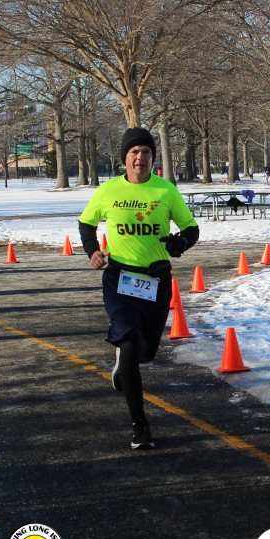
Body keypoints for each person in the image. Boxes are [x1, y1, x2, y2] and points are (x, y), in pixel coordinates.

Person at [78, 128, 199, 450]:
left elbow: (191, 228)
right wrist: (92, 251)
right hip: (120, 277)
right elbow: (86, 223)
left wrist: (180, 243)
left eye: (146, 152)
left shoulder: (165, 190)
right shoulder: (108, 191)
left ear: (152, 158)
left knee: (145, 353)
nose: (140, 157)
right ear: (125, 158)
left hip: (156, 279)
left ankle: (125, 358)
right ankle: (140, 426)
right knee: (130, 342)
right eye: (134, 152)